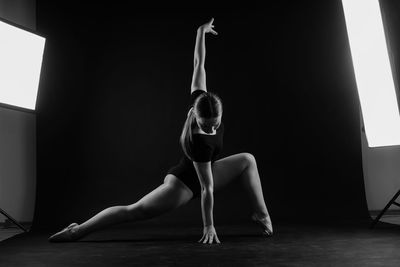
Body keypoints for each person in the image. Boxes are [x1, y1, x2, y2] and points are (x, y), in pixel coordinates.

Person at [48, 18, 272, 245]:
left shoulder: (201, 100)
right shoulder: (199, 142)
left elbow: (198, 63)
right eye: (207, 125)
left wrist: (200, 32)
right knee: (133, 211)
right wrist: (209, 225)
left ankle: (261, 213)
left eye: (216, 123)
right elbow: (207, 188)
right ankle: (78, 230)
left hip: (208, 171)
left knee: (248, 160)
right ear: (196, 116)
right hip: (183, 184)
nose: (213, 128)